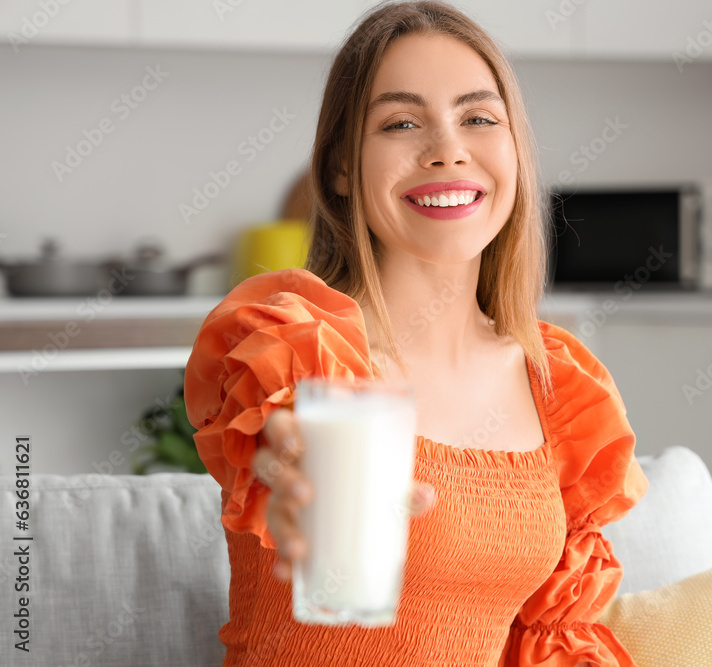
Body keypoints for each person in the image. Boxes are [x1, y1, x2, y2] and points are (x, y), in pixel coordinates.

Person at [184, 1, 649, 665]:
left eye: (479, 118)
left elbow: (551, 640)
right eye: (402, 122)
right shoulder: (301, 348)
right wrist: (292, 481)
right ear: (342, 166)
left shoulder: (560, 387)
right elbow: (281, 455)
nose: (448, 150)